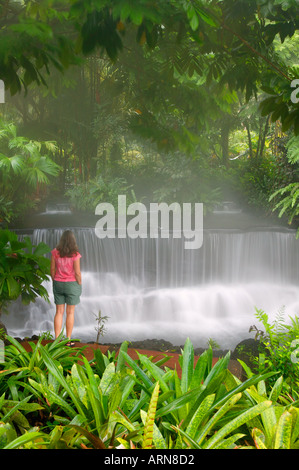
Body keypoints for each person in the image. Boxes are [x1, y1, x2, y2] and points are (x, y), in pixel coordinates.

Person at [50, 230, 82, 346]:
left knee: (59, 312)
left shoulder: (55, 253)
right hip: (72, 284)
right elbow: (77, 273)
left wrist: (55, 280)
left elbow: (52, 270)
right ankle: (68, 339)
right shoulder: (75, 255)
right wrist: (79, 283)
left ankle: (57, 340)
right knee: (70, 313)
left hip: (58, 283)